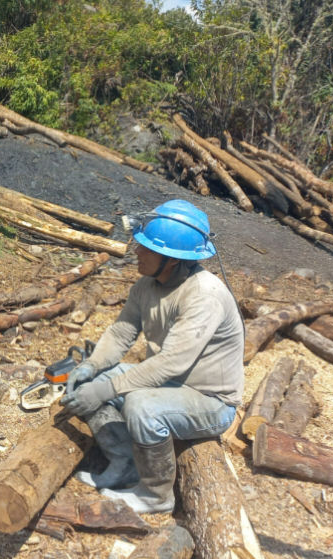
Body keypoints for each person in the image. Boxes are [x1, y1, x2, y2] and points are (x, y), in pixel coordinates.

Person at [61, 200, 244, 514]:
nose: (137, 252)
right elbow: (121, 334)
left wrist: (105, 391)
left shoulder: (203, 295)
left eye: (146, 248)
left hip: (211, 401)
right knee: (94, 379)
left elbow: (170, 363)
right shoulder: (147, 286)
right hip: (168, 385)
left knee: (141, 406)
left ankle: (155, 495)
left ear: (172, 259)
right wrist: (91, 366)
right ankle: (126, 461)